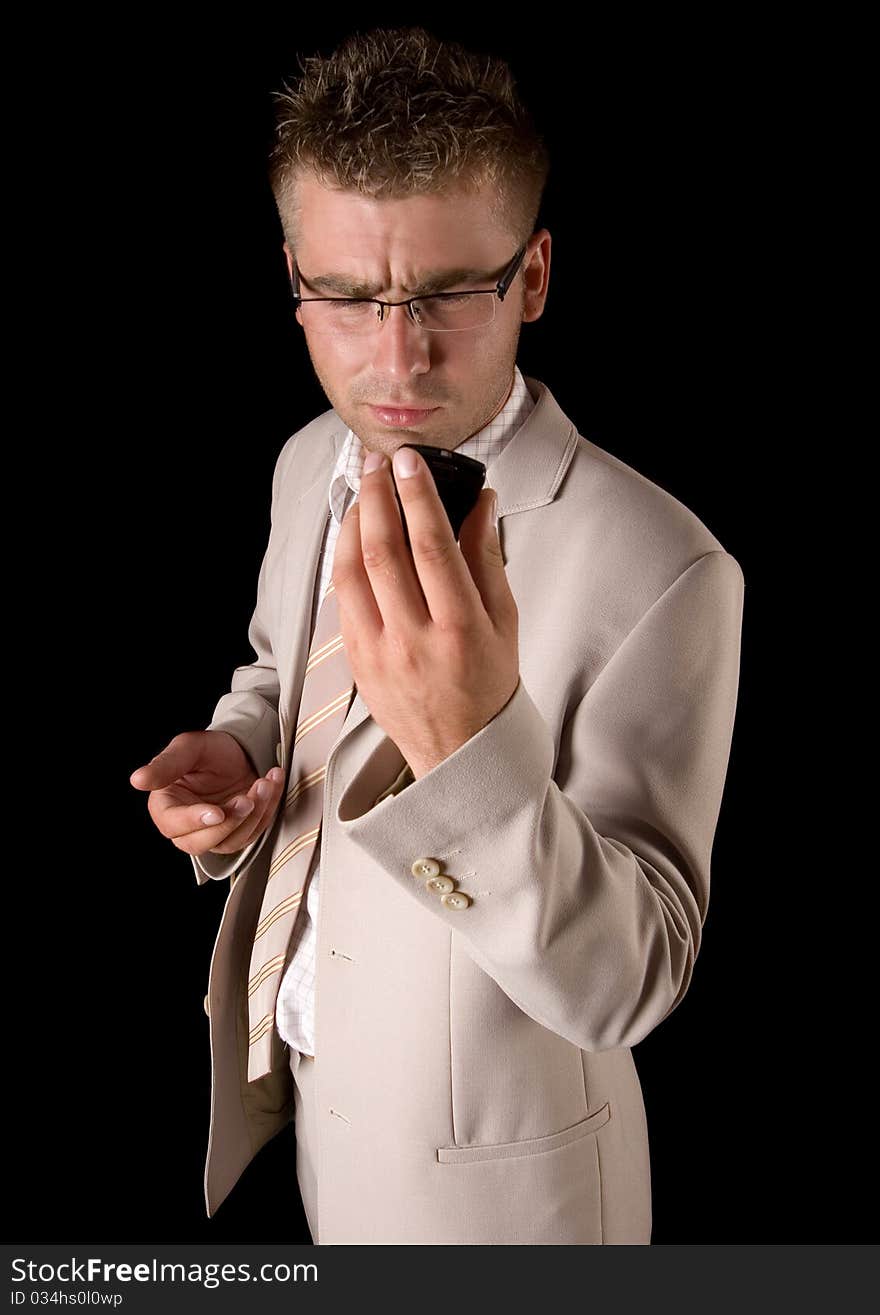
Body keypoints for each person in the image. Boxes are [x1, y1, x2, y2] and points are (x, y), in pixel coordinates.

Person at [130, 25, 744, 1245]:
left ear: (533, 276)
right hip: (311, 1117)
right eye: (350, 299)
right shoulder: (309, 459)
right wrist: (241, 750)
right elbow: (278, 665)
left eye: (452, 294)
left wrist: (469, 746)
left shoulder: (668, 568)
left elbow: (634, 978)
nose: (397, 355)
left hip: (505, 1201)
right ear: (294, 281)